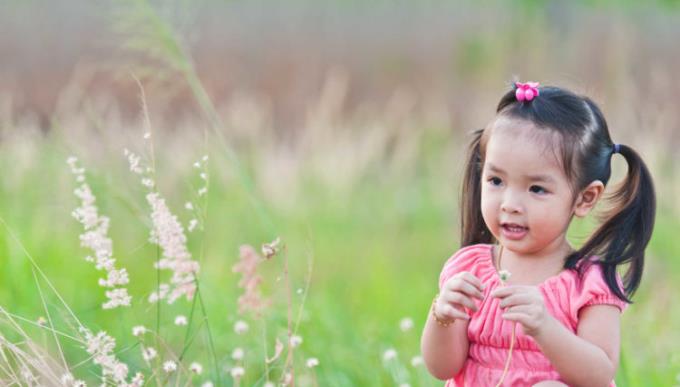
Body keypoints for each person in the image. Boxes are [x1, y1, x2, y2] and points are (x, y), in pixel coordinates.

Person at [420, 81, 656, 386]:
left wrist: (545, 326)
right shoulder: (469, 270)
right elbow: (442, 368)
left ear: (585, 198)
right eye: (495, 181)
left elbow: (599, 374)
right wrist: (442, 315)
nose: (510, 204)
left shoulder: (589, 283)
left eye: (536, 189)